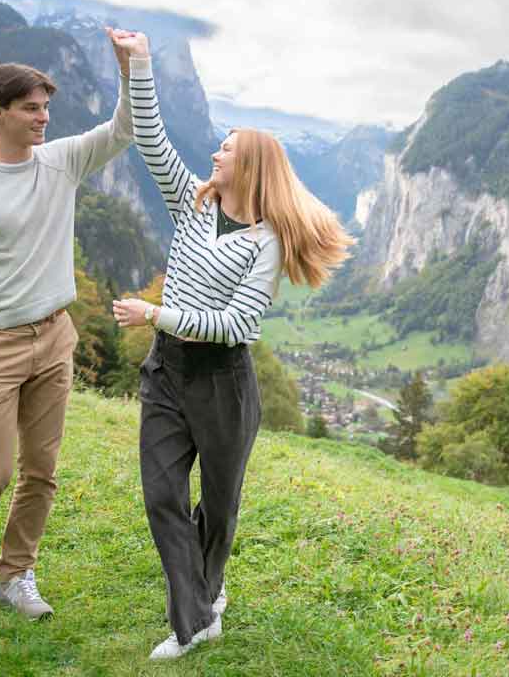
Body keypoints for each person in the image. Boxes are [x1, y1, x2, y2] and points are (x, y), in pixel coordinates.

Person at [112, 33, 355, 659]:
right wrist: (139, 62)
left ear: (250, 168)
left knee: (218, 511)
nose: (215, 153)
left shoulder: (266, 242)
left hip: (223, 384)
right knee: (164, 495)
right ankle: (194, 620)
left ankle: (206, 591)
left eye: (227, 149)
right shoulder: (190, 202)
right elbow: (150, 135)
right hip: (167, 372)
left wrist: (154, 313)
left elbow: (235, 325)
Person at [0, 30, 135, 619]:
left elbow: (123, 130)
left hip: (53, 337)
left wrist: (128, 67)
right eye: (31, 108)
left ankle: (17, 575)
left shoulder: (60, 162)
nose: (43, 118)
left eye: (46, 109)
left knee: (41, 471)